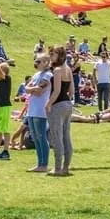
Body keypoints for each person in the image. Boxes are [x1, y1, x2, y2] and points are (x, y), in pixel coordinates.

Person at [46, 47, 74, 176]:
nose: (51, 55)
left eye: (53, 53)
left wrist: (48, 104)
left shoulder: (57, 70)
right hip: (68, 104)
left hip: (58, 106)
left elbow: (56, 91)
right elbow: (72, 91)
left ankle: (57, 168)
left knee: (57, 136)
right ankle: (66, 167)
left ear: (60, 55)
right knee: (66, 137)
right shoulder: (68, 69)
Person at [24, 52, 52, 173]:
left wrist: (32, 89)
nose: (36, 63)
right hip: (31, 110)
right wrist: (32, 89)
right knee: (35, 137)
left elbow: (40, 90)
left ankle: (44, 164)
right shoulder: (36, 75)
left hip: (40, 110)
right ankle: (39, 162)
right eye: (35, 61)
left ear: (46, 62)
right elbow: (27, 88)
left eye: (38, 61)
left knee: (41, 137)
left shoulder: (48, 75)